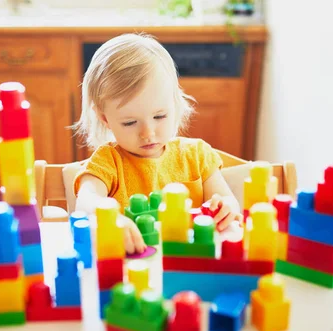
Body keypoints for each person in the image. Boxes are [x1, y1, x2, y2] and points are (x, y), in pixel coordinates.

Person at [72, 32, 242, 254]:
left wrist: (226, 208)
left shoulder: (196, 156)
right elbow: (86, 203)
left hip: (190, 267)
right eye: (130, 122)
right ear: (105, 118)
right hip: (135, 273)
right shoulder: (108, 162)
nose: (147, 133)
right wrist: (109, 218)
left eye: (159, 116)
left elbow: (228, 203)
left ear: (174, 103)